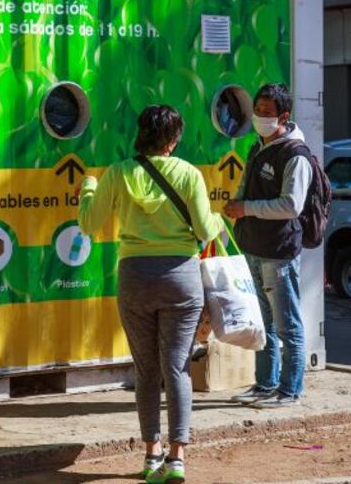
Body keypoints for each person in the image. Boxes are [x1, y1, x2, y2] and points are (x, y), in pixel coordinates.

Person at [79, 105, 223, 484]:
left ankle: (151, 455)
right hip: (181, 278)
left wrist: (88, 190)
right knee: (176, 368)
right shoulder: (189, 173)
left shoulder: (118, 173)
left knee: (146, 370)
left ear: (140, 134)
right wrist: (222, 219)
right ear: (173, 140)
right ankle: (177, 458)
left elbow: (88, 224)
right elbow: (206, 230)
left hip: (136, 277)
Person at [223, 83, 312, 409]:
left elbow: (291, 205)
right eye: (257, 111)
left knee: (288, 324)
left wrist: (247, 208)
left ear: (284, 116)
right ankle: (265, 384)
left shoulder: (295, 155)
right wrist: (238, 206)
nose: (260, 117)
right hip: (254, 247)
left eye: (266, 113)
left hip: (279, 251)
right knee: (265, 323)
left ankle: (290, 391)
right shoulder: (257, 146)